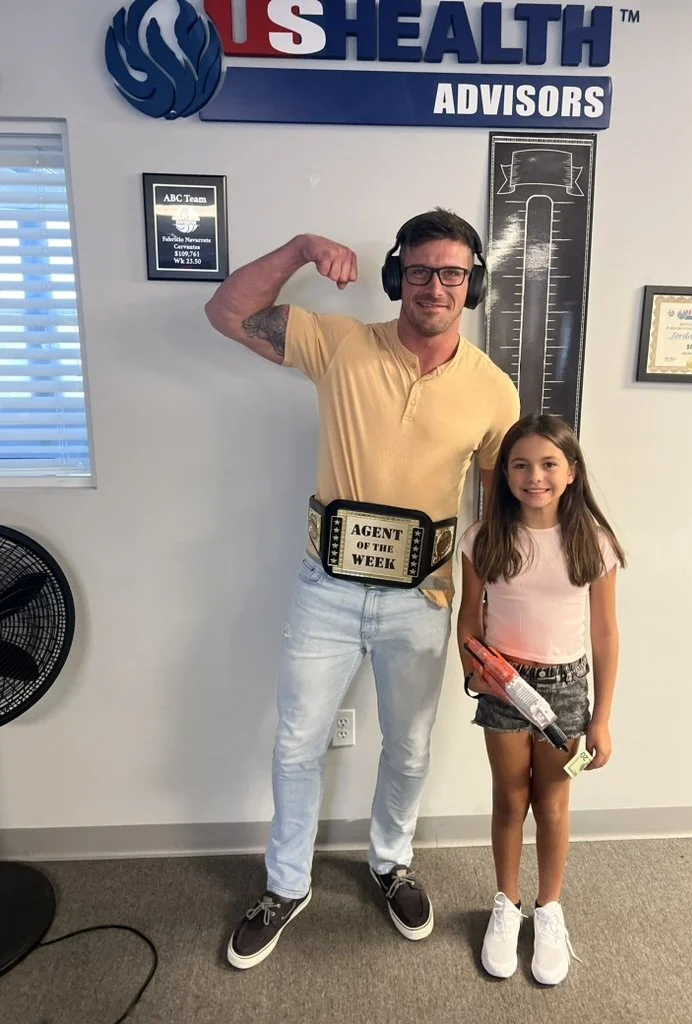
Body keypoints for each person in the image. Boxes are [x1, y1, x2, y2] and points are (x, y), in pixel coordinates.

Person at [204, 209, 520, 969]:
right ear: (396, 276)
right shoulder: (340, 344)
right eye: (418, 270)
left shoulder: (493, 391)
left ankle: (390, 862)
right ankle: (286, 884)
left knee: (409, 748)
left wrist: (481, 622)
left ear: (471, 284)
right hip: (327, 587)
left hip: (425, 598)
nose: (434, 286)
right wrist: (303, 246)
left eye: (451, 273)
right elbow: (227, 310)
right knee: (295, 743)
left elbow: (493, 519)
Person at [457, 413, 624, 986]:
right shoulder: (484, 538)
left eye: (549, 464)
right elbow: (470, 615)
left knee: (552, 803)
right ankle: (507, 905)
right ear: (504, 474)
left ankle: (547, 911)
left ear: (571, 472)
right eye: (521, 465)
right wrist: (471, 665)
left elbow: (605, 632)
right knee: (510, 799)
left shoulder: (593, 544)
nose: (535, 477)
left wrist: (600, 717)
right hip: (505, 686)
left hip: (566, 689)